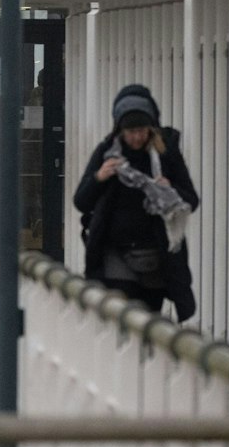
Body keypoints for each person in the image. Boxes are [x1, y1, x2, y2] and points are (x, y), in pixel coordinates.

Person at [72, 84, 198, 319]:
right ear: (120, 129)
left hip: (156, 254)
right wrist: (99, 177)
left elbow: (191, 199)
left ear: (151, 127)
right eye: (130, 131)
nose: (136, 137)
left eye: (141, 130)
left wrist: (170, 190)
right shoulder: (107, 152)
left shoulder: (166, 153)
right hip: (115, 252)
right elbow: (81, 201)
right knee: (122, 317)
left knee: (149, 320)